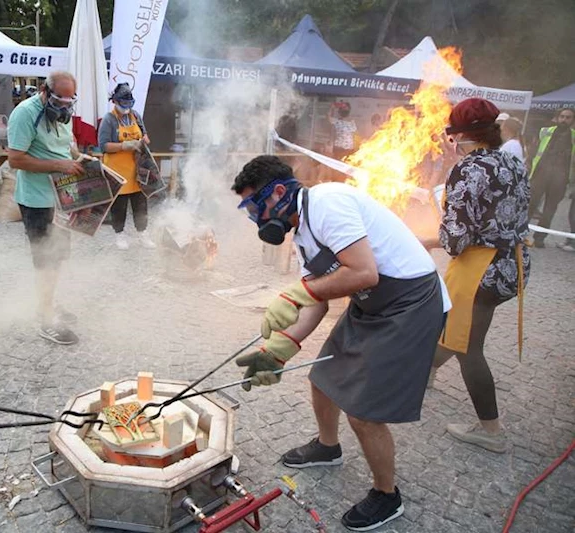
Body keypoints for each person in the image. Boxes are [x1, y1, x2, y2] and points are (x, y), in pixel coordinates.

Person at [232, 155, 449, 531]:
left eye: (254, 206)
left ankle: (387, 495)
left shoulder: (328, 203)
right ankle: (328, 446)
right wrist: (280, 349)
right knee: (322, 378)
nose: (254, 218)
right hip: (372, 303)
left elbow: (364, 272)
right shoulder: (302, 233)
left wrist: (297, 293)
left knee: (363, 412)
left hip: (410, 303)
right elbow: (317, 300)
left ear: (279, 193)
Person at [423, 98, 531, 454]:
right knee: (458, 324)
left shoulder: (468, 169)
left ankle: (491, 431)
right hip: (513, 264)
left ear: (461, 136)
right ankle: (424, 372)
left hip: (481, 270)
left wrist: (429, 240)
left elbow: (456, 239)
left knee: (468, 346)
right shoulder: (511, 162)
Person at [7, 71, 82, 346]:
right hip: (37, 199)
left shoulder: (64, 111)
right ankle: (46, 319)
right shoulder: (24, 113)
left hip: (61, 197)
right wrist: (59, 165)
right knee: (44, 259)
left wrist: (79, 158)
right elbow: (15, 159)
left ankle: (48, 302)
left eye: (69, 102)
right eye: (59, 101)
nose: (64, 107)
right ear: (44, 90)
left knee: (57, 256)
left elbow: (67, 144)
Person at [98, 83, 157, 250]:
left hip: (137, 169)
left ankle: (143, 233)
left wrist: (142, 141)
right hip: (117, 171)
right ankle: (120, 234)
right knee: (119, 205)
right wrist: (124, 145)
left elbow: (145, 136)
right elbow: (103, 146)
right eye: (123, 104)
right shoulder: (108, 120)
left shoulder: (136, 116)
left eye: (129, 104)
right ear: (115, 101)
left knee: (140, 203)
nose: (126, 108)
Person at [527, 107, 575, 247]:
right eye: (562, 116)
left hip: (560, 179)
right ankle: (520, 234)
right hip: (540, 175)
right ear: (558, 117)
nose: (564, 120)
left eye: (568, 117)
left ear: (573, 120)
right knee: (530, 206)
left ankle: (539, 238)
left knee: (549, 210)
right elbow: (533, 151)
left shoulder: (573, 136)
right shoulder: (545, 131)